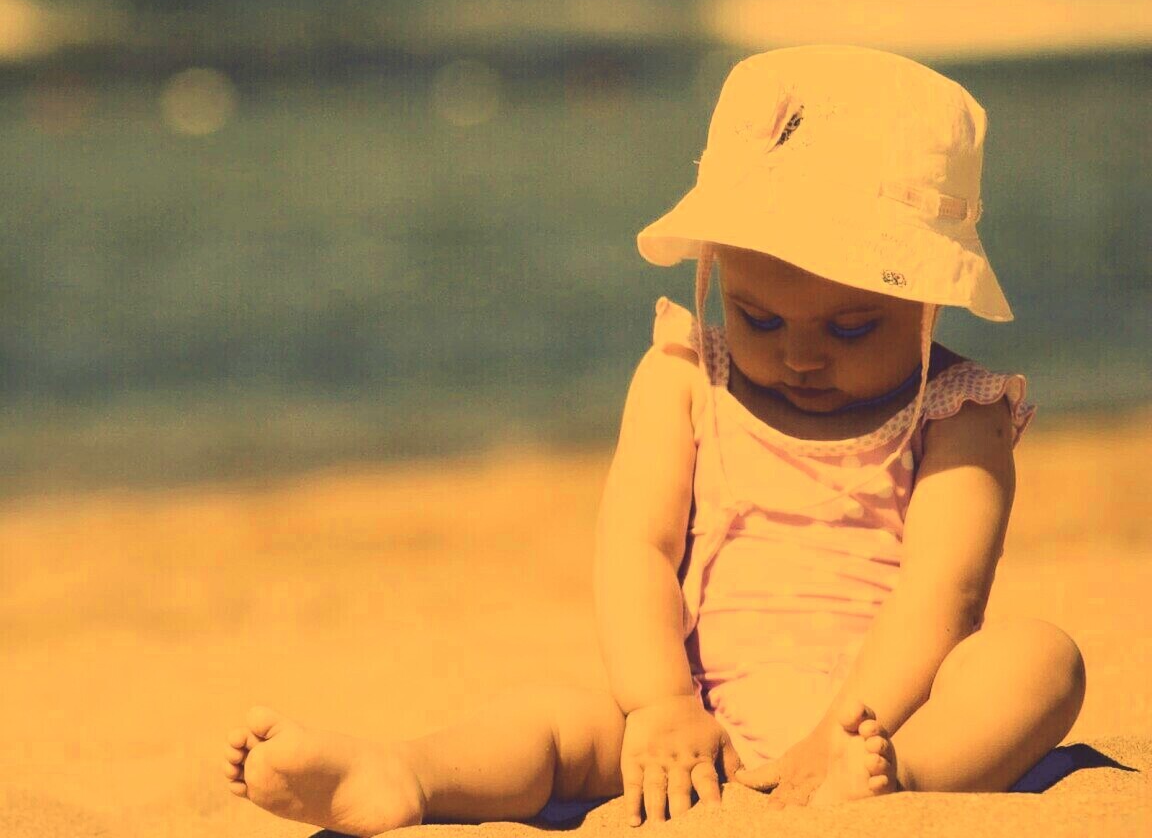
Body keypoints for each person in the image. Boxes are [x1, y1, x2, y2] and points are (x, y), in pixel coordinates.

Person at [222, 45, 1085, 836]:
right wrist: (663, 702)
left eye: (852, 328)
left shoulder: (959, 411)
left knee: (1039, 662)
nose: (800, 355)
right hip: (699, 728)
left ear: (929, 297)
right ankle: (405, 774)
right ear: (715, 266)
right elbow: (637, 547)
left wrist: (848, 731)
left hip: (882, 724)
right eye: (758, 318)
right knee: (553, 719)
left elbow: (943, 597)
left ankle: (905, 782)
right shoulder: (684, 377)